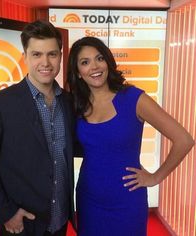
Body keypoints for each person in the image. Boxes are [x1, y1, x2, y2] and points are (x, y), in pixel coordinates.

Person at [67, 36, 195, 236]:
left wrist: (155, 177)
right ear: (78, 73)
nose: (94, 66)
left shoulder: (133, 98)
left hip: (127, 202)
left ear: (108, 62)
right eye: (85, 62)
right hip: (88, 200)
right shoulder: (77, 104)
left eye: (99, 58)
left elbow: (184, 139)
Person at [0, 20, 76, 236]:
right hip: (23, 224)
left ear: (60, 56)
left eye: (52, 54)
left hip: (60, 220)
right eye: (37, 54)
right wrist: (6, 213)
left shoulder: (69, 102)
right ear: (25, 56)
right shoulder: (0, 103)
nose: (45, 62)